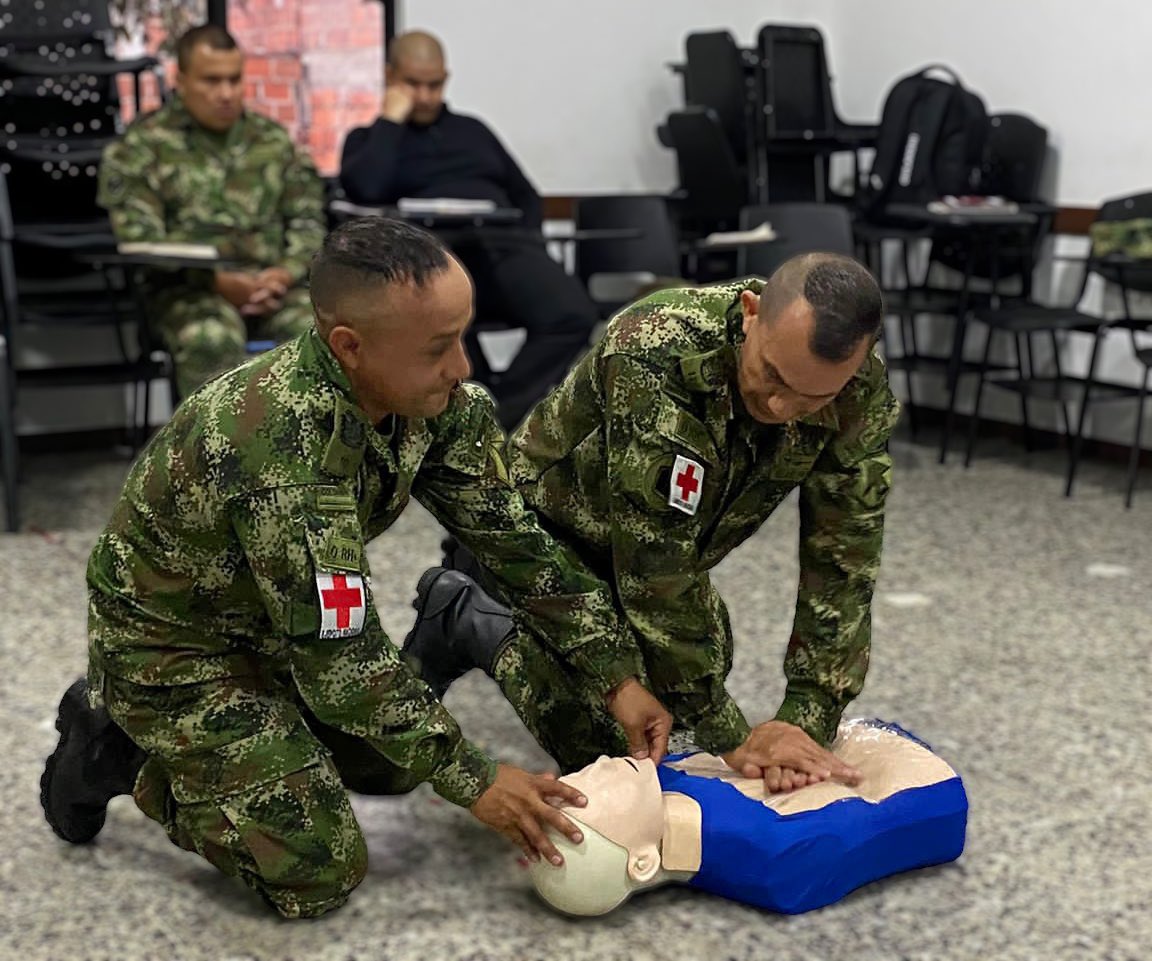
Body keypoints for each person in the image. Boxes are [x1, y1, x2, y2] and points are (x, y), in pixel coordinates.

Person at [37, 217, 668, 920]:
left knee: (396, 763)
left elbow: (519, 545)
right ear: (350, 347)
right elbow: (342, 663)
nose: (462, 366)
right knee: (316, 867)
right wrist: (477, 778)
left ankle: (428, 637)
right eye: (439, 347)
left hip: (280, 631)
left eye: (463, 335)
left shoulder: (431, 401)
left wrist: (617, 677)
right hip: (175, 650)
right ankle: (116, 751)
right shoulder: (281, 455)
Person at [405, 253, 901, 793]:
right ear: (752, 312)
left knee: (693, 682)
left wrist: (806, 717)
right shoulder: (657, 347)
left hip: (646, 558)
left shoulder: (859, 391)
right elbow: (654, 567)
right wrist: (734, 736)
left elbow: (844, 557)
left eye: (814, 397)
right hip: (535, 548)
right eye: (772, 375)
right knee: (616, 742)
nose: (782, 406)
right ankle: (466, 610)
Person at [339, 30, 600, 430]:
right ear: (390, 76)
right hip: (432, 254)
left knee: (572, 314)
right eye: (413, 84)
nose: (425, 96)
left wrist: (533, 246)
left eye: (435, 84)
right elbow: (365, 188)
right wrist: (390, 120)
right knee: (446, 329)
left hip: (501, 244)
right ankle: (463, 418)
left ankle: (497, 414)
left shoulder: (473, 131)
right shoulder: (371, 140)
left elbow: (526, 195)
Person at [528, 719, 968, 916]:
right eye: (584, 801)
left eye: (570, 786)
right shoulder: (777, 859)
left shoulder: (654, 776)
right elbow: (906, 809)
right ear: (641, 862)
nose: (587, 772)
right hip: (920, 775)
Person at [98, 24, 326, 399]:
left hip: (273, 288)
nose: (226, 93)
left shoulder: (271, 142)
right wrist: (218, 283)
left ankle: (311, 453)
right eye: (211, 81)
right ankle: (216, 456)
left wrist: (282, 275)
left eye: (234, 80)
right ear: (181, 80)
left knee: (325, 330)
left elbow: (308, 222)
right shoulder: (142, 147)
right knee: (211, 338)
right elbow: (141, 242)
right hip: (186, 293)